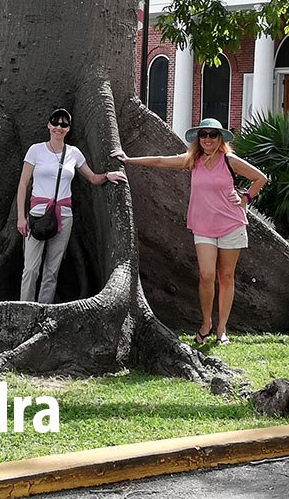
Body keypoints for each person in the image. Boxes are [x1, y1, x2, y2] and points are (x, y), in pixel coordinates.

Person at [113, 117, 268, 345]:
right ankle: (206, 323)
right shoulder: (192, 160)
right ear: (198, 139)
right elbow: (161, 161)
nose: (207, 139)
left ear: (220, 139)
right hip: (203, 226)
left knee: (225, 277)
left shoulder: (229, 160)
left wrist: (245, 197)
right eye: (203, 135)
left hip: (231, 224)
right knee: (206, 275)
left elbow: (260, 178)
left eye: (212, 135)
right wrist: (128, 160)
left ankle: (222, 329)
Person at [17, 108, 127, 303]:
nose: (59, 127)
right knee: (31, 268)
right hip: (37, 215)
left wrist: (108, 175)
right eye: (55, 123)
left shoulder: (73, 153)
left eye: (64, 124)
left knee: (52, 269)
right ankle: (24, 308)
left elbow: (92, 177)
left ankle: (43, 309)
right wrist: (20, 217)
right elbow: (23, 183)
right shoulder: (36, 150)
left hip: (64, 216)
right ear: (49, 125)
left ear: (68, 129)